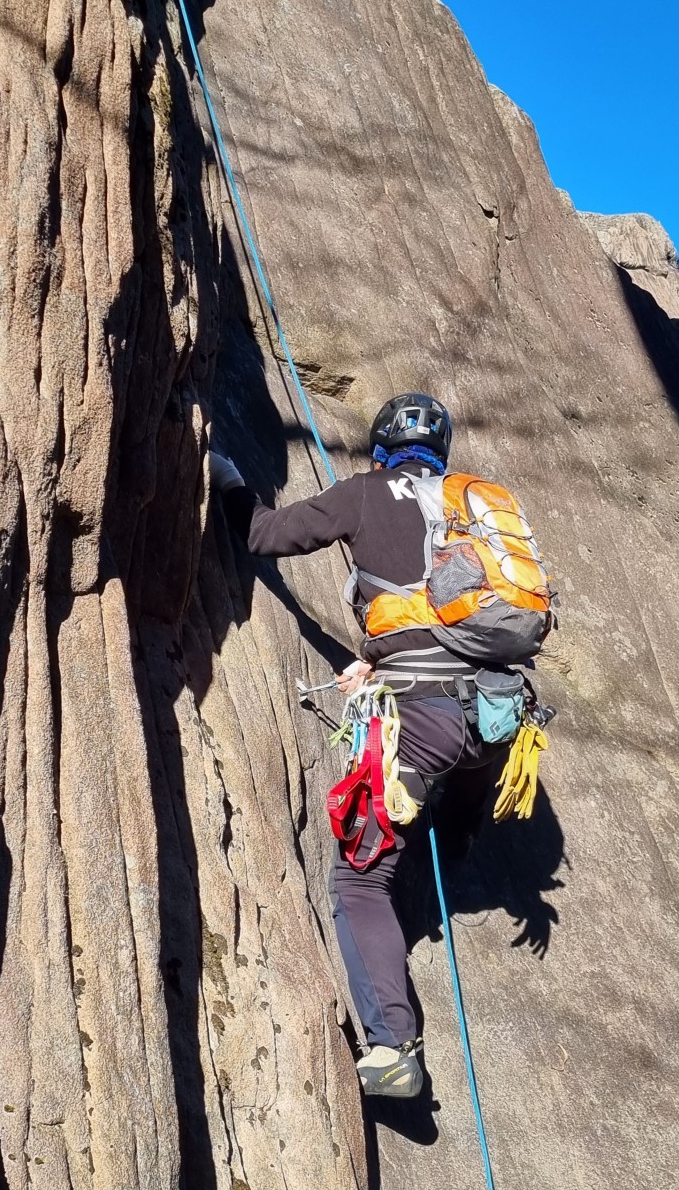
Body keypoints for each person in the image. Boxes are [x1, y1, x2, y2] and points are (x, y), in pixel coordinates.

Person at [209, 393, 507, 1098]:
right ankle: (460, 839)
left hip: (425, 717)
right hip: (497, 717)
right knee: (466, 781)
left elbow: (264, 536)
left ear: (380, 452)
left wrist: (227, 481)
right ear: (442, 454)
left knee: (361, 878)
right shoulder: (475, 504)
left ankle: (394, 1046)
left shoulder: (367, 492)